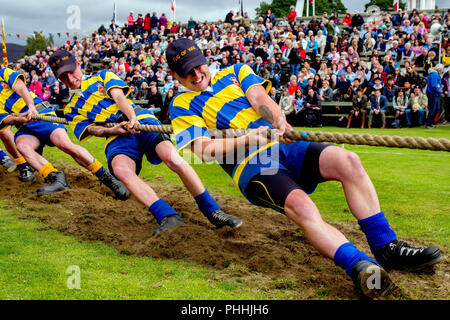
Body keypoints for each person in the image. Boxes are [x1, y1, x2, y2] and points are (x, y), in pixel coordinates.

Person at [166, 38, 443, 298]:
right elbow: (203, 150)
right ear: (175, 75)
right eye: (186, 72)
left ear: (205, 59)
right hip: (251, 164)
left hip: (286, 143)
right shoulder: (180, 104)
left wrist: (278, 120)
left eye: (198, 65)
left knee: (348, 161)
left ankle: (386, 247)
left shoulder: (236, 70)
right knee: (302, 206)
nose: (196, 74)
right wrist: (248, 138)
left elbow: (260, 99)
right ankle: (360, 266)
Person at [50, 49, 241, 235]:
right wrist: (111, 130)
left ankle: (214, 211)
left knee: (172, 158)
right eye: (64, 77)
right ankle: (167, 216)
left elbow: (118, 96)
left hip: (142, 120)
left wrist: (132, 118)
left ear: (77, 64)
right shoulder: (70, 109)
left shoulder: (102, 76)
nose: (71, 79)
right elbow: (91, 129)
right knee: (121, 171)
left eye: (71, 71)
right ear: (58, 80)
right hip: (117, 135)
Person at [0, 66, 129, 198]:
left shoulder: (3, 72)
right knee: (22, 146)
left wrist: (30, 106)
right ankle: (55, 178)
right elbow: (3, 120)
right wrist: (17, 118)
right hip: (23, 125)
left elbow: (21, 88)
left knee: (64, 144)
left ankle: (107, 178)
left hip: (40, 112)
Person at [425, 64, 444, 129]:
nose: (442, 71)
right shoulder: (435, 75)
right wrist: (439, 91)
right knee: (433, 109)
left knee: (435, 109)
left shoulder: (434, 75)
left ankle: (430, 123)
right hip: (433, 94)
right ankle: (428, 124)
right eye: (442, 69)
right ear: (439, 69)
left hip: (434, 94)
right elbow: (434, 85)